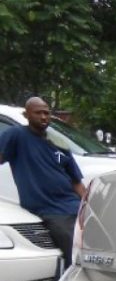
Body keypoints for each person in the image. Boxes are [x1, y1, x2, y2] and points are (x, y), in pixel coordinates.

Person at [0, 96, 85, 269]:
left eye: (46, 113)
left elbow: (76, 181)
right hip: (50, 209)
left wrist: (88, 204)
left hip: (73, 205)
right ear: (26, 114)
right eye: (38, 113)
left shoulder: (58, 144)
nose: (44, 117)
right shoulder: (17, 136)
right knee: (74, 250)